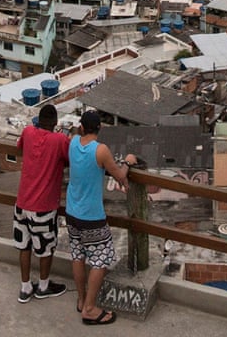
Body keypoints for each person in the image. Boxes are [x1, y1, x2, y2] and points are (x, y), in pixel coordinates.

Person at [66, 109, 136, 325]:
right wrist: (128, 162)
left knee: (78, 256)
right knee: (101, 259)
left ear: (82, 127)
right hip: (91, 215)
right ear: (100, 129)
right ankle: (89, 309)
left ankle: (81, 300)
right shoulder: (101, 150)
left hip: (71, 211)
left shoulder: (73, 141)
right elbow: (119, 175)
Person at [12, 103, 70, 302]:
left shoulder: (28, 131)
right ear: (55, 123)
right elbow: (70, 157)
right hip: (43, 206)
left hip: (22, 202)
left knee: (24, 245)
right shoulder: (60, 140)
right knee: (46, 248)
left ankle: (25, 287)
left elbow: (19, 146)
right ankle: (43, 286)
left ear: (39, 120)